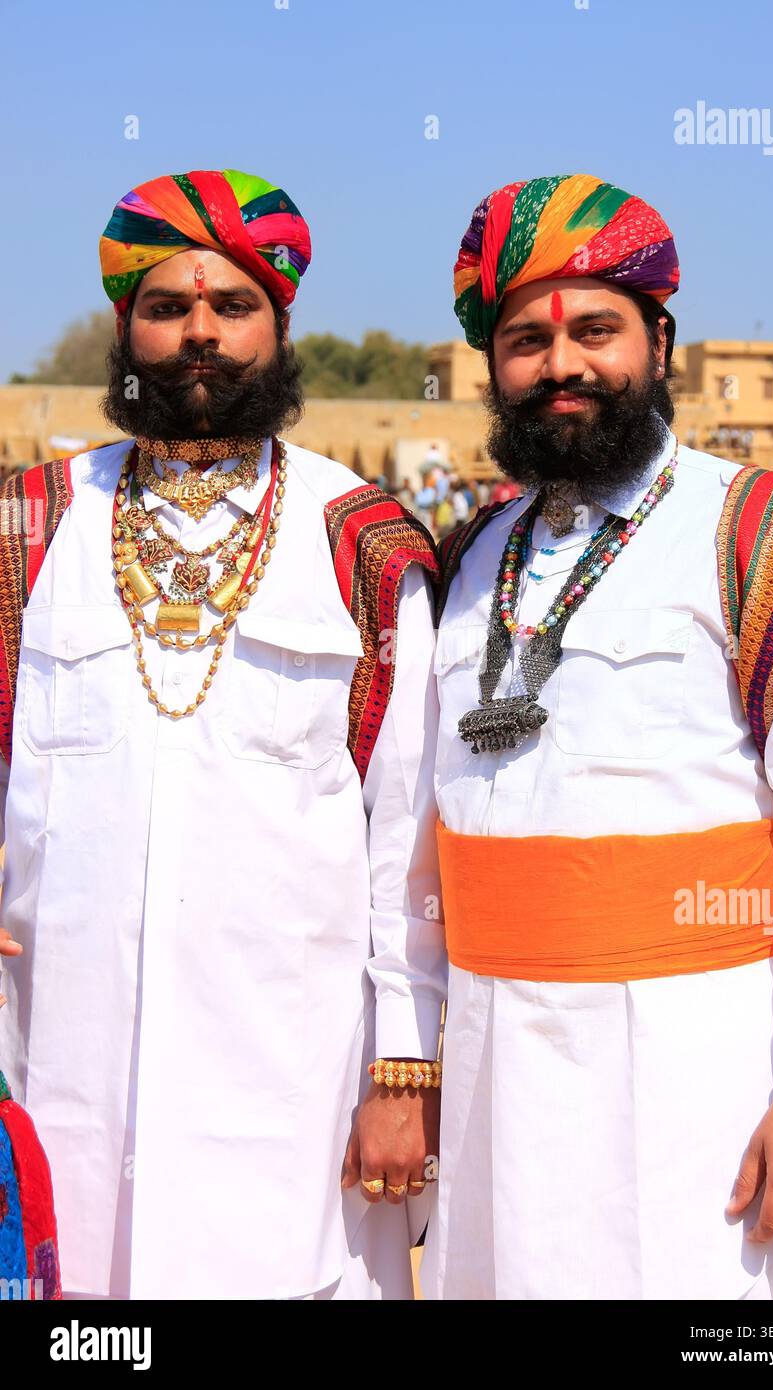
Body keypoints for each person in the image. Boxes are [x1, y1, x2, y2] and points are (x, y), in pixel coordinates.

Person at [0, 167, 446, 1300]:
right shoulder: (30, 527)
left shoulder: (362, 543)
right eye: (167, 307)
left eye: (231, 305)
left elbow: (406, 831)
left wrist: (401, 1063)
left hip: (292, 1072)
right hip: (63, 1053)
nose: (199, 332)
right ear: (125, 328)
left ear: (278, 324)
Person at [424, 172, 773, 1300]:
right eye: (525, 338)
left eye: (594, 330)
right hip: (493, 1085)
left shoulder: (765, 531)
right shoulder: (474, 558)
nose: (561, 363)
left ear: (657, 342)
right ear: (493, 367)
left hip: (702, 1087)